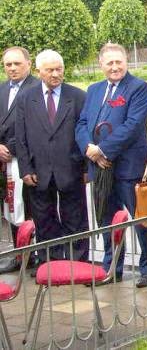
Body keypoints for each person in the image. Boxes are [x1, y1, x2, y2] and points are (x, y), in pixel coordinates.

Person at [75, 43, 147, 287]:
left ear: (126, 62)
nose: (115, 67)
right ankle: (112, 269)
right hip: (99, 170)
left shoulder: (138, 88)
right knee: (107, 222)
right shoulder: (93, 90)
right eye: (109, 63)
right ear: (101, 64)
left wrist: (103, 149)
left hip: (128, 169)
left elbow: (132, 126)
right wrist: (89, 150)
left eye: (118, 62)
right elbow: (81, 124)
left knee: (140, 220)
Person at [15, 50, 89, 261]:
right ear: (39, 72)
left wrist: (85, 169)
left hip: (71, 170)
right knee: (44, 220)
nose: (56, 74)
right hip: (38, 172)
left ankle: (78, 262)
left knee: (76, 219)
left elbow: (84, 134)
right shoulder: (25, 99)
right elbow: (21, 138)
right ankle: (51, 262)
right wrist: (25, 169)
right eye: (50, 70)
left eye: (59, 69)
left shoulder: (77, 97)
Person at [0, 47, 39, 273]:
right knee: (10, 208)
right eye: (8, 64)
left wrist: (10, 148)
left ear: (28, 64)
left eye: (17, 63)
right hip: (3, 163)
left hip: (26, 160)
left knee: (29, 208)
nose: (12, 68)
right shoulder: (2, 89)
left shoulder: (36, 88)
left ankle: (35, 255)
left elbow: (33, 127)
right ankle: (18, 255)